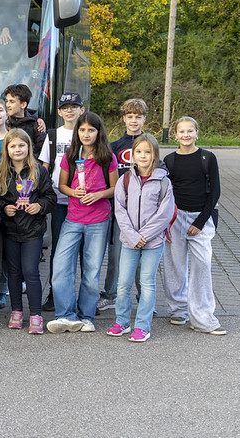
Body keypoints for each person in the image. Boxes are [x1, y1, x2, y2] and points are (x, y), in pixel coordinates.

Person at [47, 112, 118, 334]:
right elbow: (61, 186)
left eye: (91, 130)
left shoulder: (108, 157)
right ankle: (66, 315)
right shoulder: (70, 155)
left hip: (99, 220)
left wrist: (99, 195)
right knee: (60, 267)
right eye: (82, 130)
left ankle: (86, 317)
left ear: (99, 132)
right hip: (73, 218)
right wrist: (74, 192)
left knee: (91, 270)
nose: (86, 134)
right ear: (77, 132)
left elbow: (116, 189)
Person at [108, 134, 175, 342]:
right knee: (123, 283)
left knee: (147, 283)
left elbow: (164, 214)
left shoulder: (163, 182)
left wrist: (143, 236)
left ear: (155, 154)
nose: (143, 156)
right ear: (132, 155)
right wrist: (132, 236)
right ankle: (122, 321)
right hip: (129, 241)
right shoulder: (125, 180)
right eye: (139, 152)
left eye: (148, 152)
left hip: (152, 243)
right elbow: (119, 210)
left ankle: (143, 326)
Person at [162, 117, 225, 335]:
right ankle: (178, 309)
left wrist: (200, 222)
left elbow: (215, 192)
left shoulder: (208, 158)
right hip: (175, 218)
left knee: (202, 265)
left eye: (190, 131)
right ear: (175, 135)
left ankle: (203, 318)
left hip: (202, 218)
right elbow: (165, 195)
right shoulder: (169, 160)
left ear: (197, 133)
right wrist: (167, 223)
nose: (186, 135)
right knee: (174, 264)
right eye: (182, 131)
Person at [0, 129, 56, 334]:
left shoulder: (39, 171)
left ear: (29, 147)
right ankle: (17, 311)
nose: (17, 149)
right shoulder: (1, 171)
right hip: (11, 229)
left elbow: (51, 197)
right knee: (13, 272)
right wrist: (4, 208)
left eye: (21, 145)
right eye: (13, 146)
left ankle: (36, 314)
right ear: (7, 149)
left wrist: (39, 206)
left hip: (32, 230)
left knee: (30, 271)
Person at [98, 98, 148, 312]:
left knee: (143, 255)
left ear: (144, 119)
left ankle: (145, 297)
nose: (134, 121)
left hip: (145, 211)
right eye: (130, 117)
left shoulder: (149, 145)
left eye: (138, 117)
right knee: (116, 253)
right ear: (123, 119)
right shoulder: (115, 146)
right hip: (120, 210)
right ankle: (110, 295)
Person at [38, 91, 84, 311]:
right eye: (66, 107)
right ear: (59, 112)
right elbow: (45, 167)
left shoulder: (87, 133)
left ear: (82, 110)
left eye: (74, 106)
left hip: (84, 201)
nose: (70, 110)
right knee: (58, 248)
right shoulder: (53, 135)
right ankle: (54, 295)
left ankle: (83, 298)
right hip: (59, 200)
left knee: (84, 252)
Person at [4, 84, 45, 156]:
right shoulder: (4, 122)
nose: (7, 105)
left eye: (12, 101)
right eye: (6, 101)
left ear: (23, 105)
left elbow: (41, 152)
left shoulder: (36, 125)